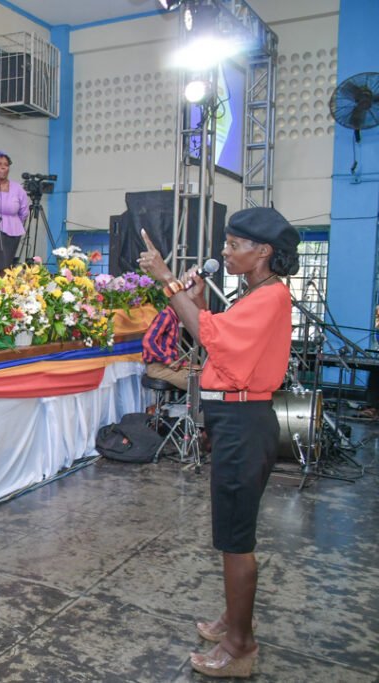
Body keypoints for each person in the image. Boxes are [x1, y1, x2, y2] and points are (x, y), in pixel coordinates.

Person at [138, 207, 299, 679]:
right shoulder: (255, 293)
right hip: (235, 415)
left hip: (246, 421)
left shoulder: (271, 297)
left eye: (234, 245)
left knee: (235, 538)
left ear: (263, 251)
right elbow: (216, 338)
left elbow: (213, 336)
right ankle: (234, 619)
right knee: (231, 531)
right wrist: (192, 298)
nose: (225, 252)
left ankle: (240, 646)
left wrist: (167, 278)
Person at [142, 307, 189, 391]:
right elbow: (148, 341)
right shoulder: (166, 315)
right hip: (158, 368)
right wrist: (169, 361)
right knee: (196, 382)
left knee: (200, 375)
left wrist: (185, 364)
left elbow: (170, 352)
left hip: (166, 367)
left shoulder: (173, 317)